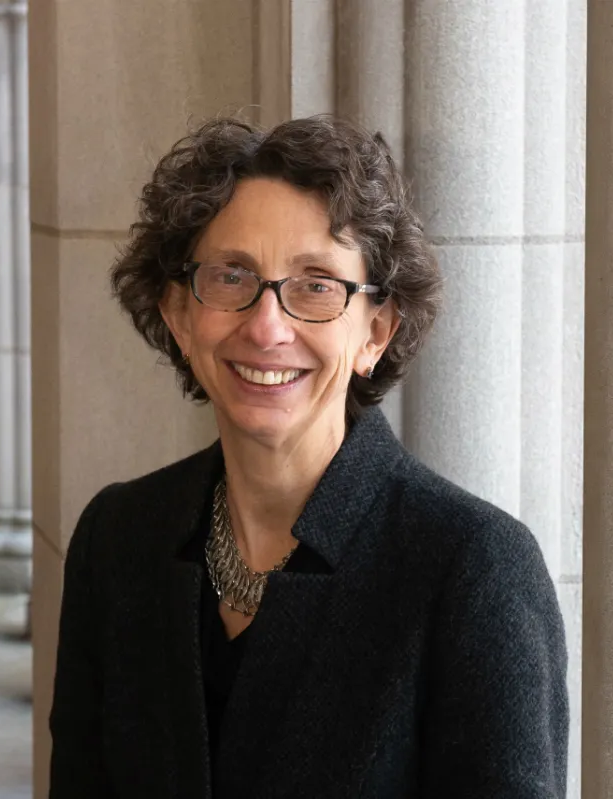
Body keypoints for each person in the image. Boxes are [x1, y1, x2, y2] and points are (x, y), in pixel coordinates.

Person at [48, 115, 568, 798]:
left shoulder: (474, 570)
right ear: (178, 313)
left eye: (316, 284)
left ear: (376, 331)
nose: (267, 325)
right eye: (232, 275)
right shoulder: (117, 540)